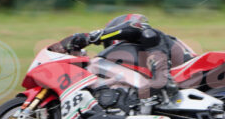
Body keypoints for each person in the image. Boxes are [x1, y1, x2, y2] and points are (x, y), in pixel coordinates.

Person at [48, 14, 190, 99]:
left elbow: (134, 27)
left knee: (147, 34)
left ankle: (163, 79)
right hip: (181, 81)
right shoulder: (146, 57)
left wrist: (90, 37)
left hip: (185, 69)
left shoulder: (146, 32)